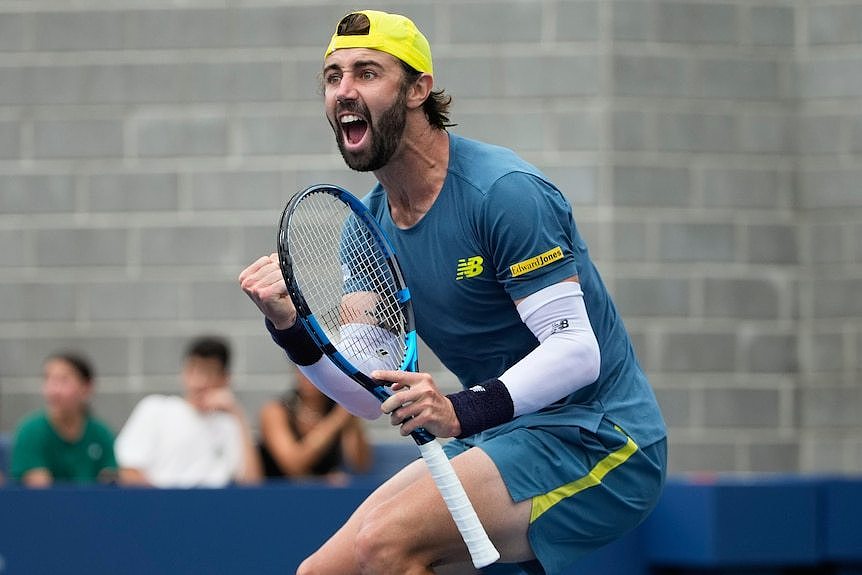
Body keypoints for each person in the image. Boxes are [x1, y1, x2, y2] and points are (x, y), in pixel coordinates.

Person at [239, 9, 667, 575]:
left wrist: (460, 410)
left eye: (367, 73)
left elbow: (575, 352)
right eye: (333, 76)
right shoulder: (367, 231)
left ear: (419, 89)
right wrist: (292, 328)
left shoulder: (505, 195)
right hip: (501, 434)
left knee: (386, 544)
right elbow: (372, 396)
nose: (344, 90)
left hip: (601, 438)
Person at [114, 336, 262, 488]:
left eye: (209, 372)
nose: (199, 382)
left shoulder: (230, 425)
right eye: (193, 370)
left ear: (225, 379)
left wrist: (237, 413)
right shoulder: (155, 409)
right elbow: (129, 471)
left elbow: (251, 484)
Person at [10, 352, 117, 487]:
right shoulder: (30, 431)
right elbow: (40, 492)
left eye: (64, 380)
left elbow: (109, 484)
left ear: (86, 387)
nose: (53, 390)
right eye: (48, 379)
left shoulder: (101, 433)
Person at [258, 366, 372, 484]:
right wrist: (338, 418)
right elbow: (293, 465)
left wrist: (352, 409)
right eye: (304, 368)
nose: (309, 376)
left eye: (318, 369)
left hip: (326, 498)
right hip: (278, 496)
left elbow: (360, 465)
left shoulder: (340, 409)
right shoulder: (275, 411)